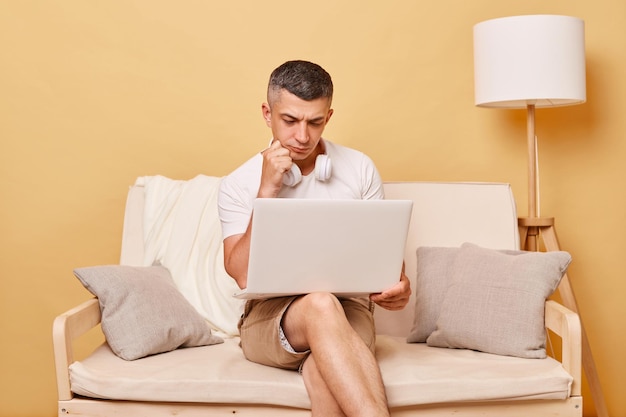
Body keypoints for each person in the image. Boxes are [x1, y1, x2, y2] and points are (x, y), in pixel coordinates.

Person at [217, 60, 411, 417]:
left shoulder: (360, 168)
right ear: (267, 113)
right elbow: (242, 274)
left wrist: (396, 287)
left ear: (329, 116)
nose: (303, 136)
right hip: (269, 317)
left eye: (315, 122)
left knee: (326, 369)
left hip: (349, 310)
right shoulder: (238, 183)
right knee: (320, 302)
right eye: (290, 121)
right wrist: (266, 191)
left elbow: (385, 264)